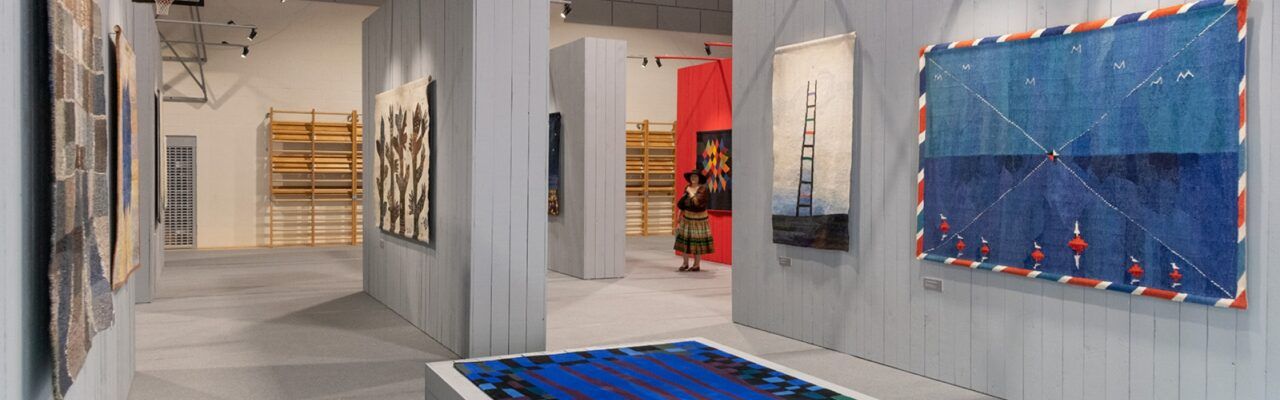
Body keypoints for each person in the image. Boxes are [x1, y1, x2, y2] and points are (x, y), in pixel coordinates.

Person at [675, 170, 714, 272]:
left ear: (699, 179)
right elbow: (682, 203)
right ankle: (685, 263)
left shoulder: (703, 189)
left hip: (699, 220)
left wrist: (690, 192)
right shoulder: (687, 188)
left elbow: (697, 202)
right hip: (687, 218)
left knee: (697, 243)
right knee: (685, 242)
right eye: (692, 177)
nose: (693, 178)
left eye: (695, 177)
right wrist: (679, 216)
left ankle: (696, 265)